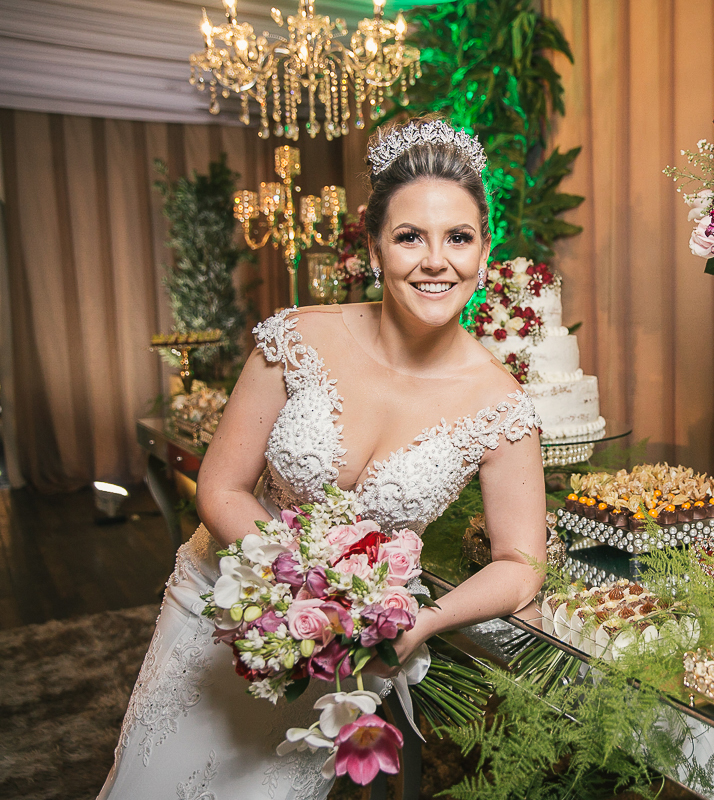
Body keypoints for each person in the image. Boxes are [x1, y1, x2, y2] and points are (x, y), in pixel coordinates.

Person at [99, 118, 547, 799]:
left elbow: (521, 565)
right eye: (409, 237)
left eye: (458, 237)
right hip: (218, 611)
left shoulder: (502, 403)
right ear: (374, 248)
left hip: (345, 655)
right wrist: (313, 585)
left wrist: (420, 620)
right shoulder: (296, 340)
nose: (436, 261)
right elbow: (220, 488)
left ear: (485, 253)